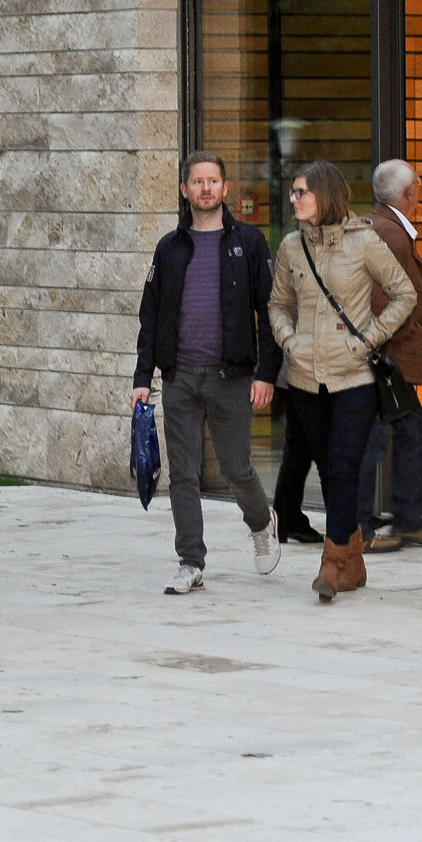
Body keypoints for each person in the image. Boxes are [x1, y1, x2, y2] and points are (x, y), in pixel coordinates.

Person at [132, 151, 282, 594]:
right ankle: (190, 561)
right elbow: (150, 314)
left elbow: (269, 313)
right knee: (184, 474)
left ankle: (261, 522)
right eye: (197, 182)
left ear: (225, 188)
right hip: (180, 377)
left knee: (237, 468)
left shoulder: (250, 244)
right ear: (185, 190)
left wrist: (266, 373)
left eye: (213, 181)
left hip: (231, 377)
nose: (205, 189)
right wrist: (143, 378)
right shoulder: (169, 248)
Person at [268, 160, 414, 602]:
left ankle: (331, 564)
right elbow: (277, 304)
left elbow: (405, 294)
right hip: (305, 377)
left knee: (346, 465)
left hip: (354, 376)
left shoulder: (365, 241)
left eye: (301, 193)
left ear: (325, 196)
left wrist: (367, 338)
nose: (294, 199)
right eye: (293, 192)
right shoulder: (292, 247)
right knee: (330, 469)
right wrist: (289, 341)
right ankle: (354, 556)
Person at [360, 159, 422, 554]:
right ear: (410, 193)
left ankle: (408, 520)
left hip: (384, 355)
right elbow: (386, 301)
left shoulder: (382, 226)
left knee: (410, 429)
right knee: (374, 439)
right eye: (417, 185)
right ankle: (359, 529)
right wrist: (408, 334)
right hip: (386, 357)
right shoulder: (392, 235)